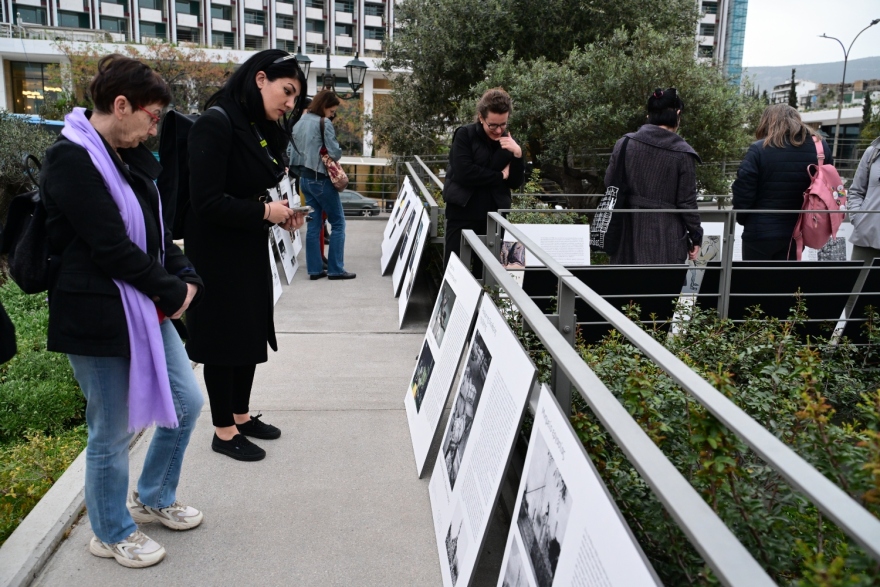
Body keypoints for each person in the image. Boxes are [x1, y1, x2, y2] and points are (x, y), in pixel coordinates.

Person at [41, 54, 205, 568]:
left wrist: (187, 275)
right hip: (96, 316)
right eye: (152, 116)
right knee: (110, 431)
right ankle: (111, 530)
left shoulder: (126, 154)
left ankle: (153, 493)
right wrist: (170, 291)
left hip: (144, 308)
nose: (155, 127)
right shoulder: (71, 158)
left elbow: (155, 233)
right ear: (121, 105)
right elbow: (110, 246)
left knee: (186, 403)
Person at [185, 49, 306, 462]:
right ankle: (223, 430)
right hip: (217, 254)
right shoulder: (215, 123)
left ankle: (240, 414)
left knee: (249, 332)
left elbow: (265, 185)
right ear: (259, 79)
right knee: (224, 338)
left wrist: (281, 213)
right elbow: (205, 202)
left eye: (295, 98)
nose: (290, 104)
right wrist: (264, 212)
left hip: (250, 245)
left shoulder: (257, 125)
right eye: (286, 92)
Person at [606, 88, 702, 265]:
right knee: (661, 287)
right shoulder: (683, 153)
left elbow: (610, 183)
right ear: (677, 114)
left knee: (625, 288)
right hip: (665, 234)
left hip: (626, 229)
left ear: (649, 115)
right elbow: (686, 202)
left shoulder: (625, 143)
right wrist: (696, 235)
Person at [732, 104, 834, 260]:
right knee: (785, 281)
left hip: (759, 230)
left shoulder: (759, 149)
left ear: (767, 122)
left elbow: (743, 190)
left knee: (754, 281)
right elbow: (828, 187)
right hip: (798, 232)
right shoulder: (820, 148)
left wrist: (743, 218)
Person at [443, 87, 525, 272]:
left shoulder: (510, 142)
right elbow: (464, 173)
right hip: (462, 213)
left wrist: (518, 154)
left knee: (489, 274)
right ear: (481, 117)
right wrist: (499, 176)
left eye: (503, 124)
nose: (498, 130)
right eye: (493, 125)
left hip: (494, 216)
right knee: (455, 270)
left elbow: (514, 182)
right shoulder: (465, 134)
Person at [290, 90, 355, 280]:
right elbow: (335, 153)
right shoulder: (323, 123)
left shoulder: (299, 122)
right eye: (332, 110)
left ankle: (315, 270)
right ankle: (336, 269)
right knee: (338, 223)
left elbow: (290, 150)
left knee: (314, 225)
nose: (332, 114)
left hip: (305, 179)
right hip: (321, 178)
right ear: (325, 106)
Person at [848, 135, 880, 262]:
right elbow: (856, 191)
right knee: (858, 281)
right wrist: (858, 219)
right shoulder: (873, 152)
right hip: (867, 238)